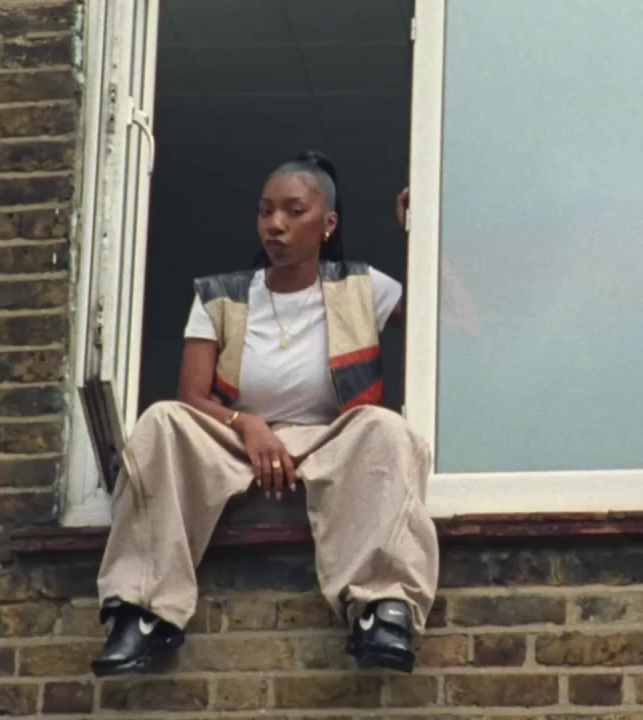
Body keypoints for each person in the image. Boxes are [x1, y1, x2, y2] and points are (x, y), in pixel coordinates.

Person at [91, 151, 440, 677]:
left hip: (328, 443)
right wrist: (247, 424)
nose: (275, 224)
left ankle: (383, 609)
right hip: (235, 445)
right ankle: (141, 612)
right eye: (265, 211)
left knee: (387, 428)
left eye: (294, 211)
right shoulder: (220, 295)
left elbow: (458, 322)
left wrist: (425, 232)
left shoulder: (362, 286)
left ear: (327, 223)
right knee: (161, 421)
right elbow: (191, 396)